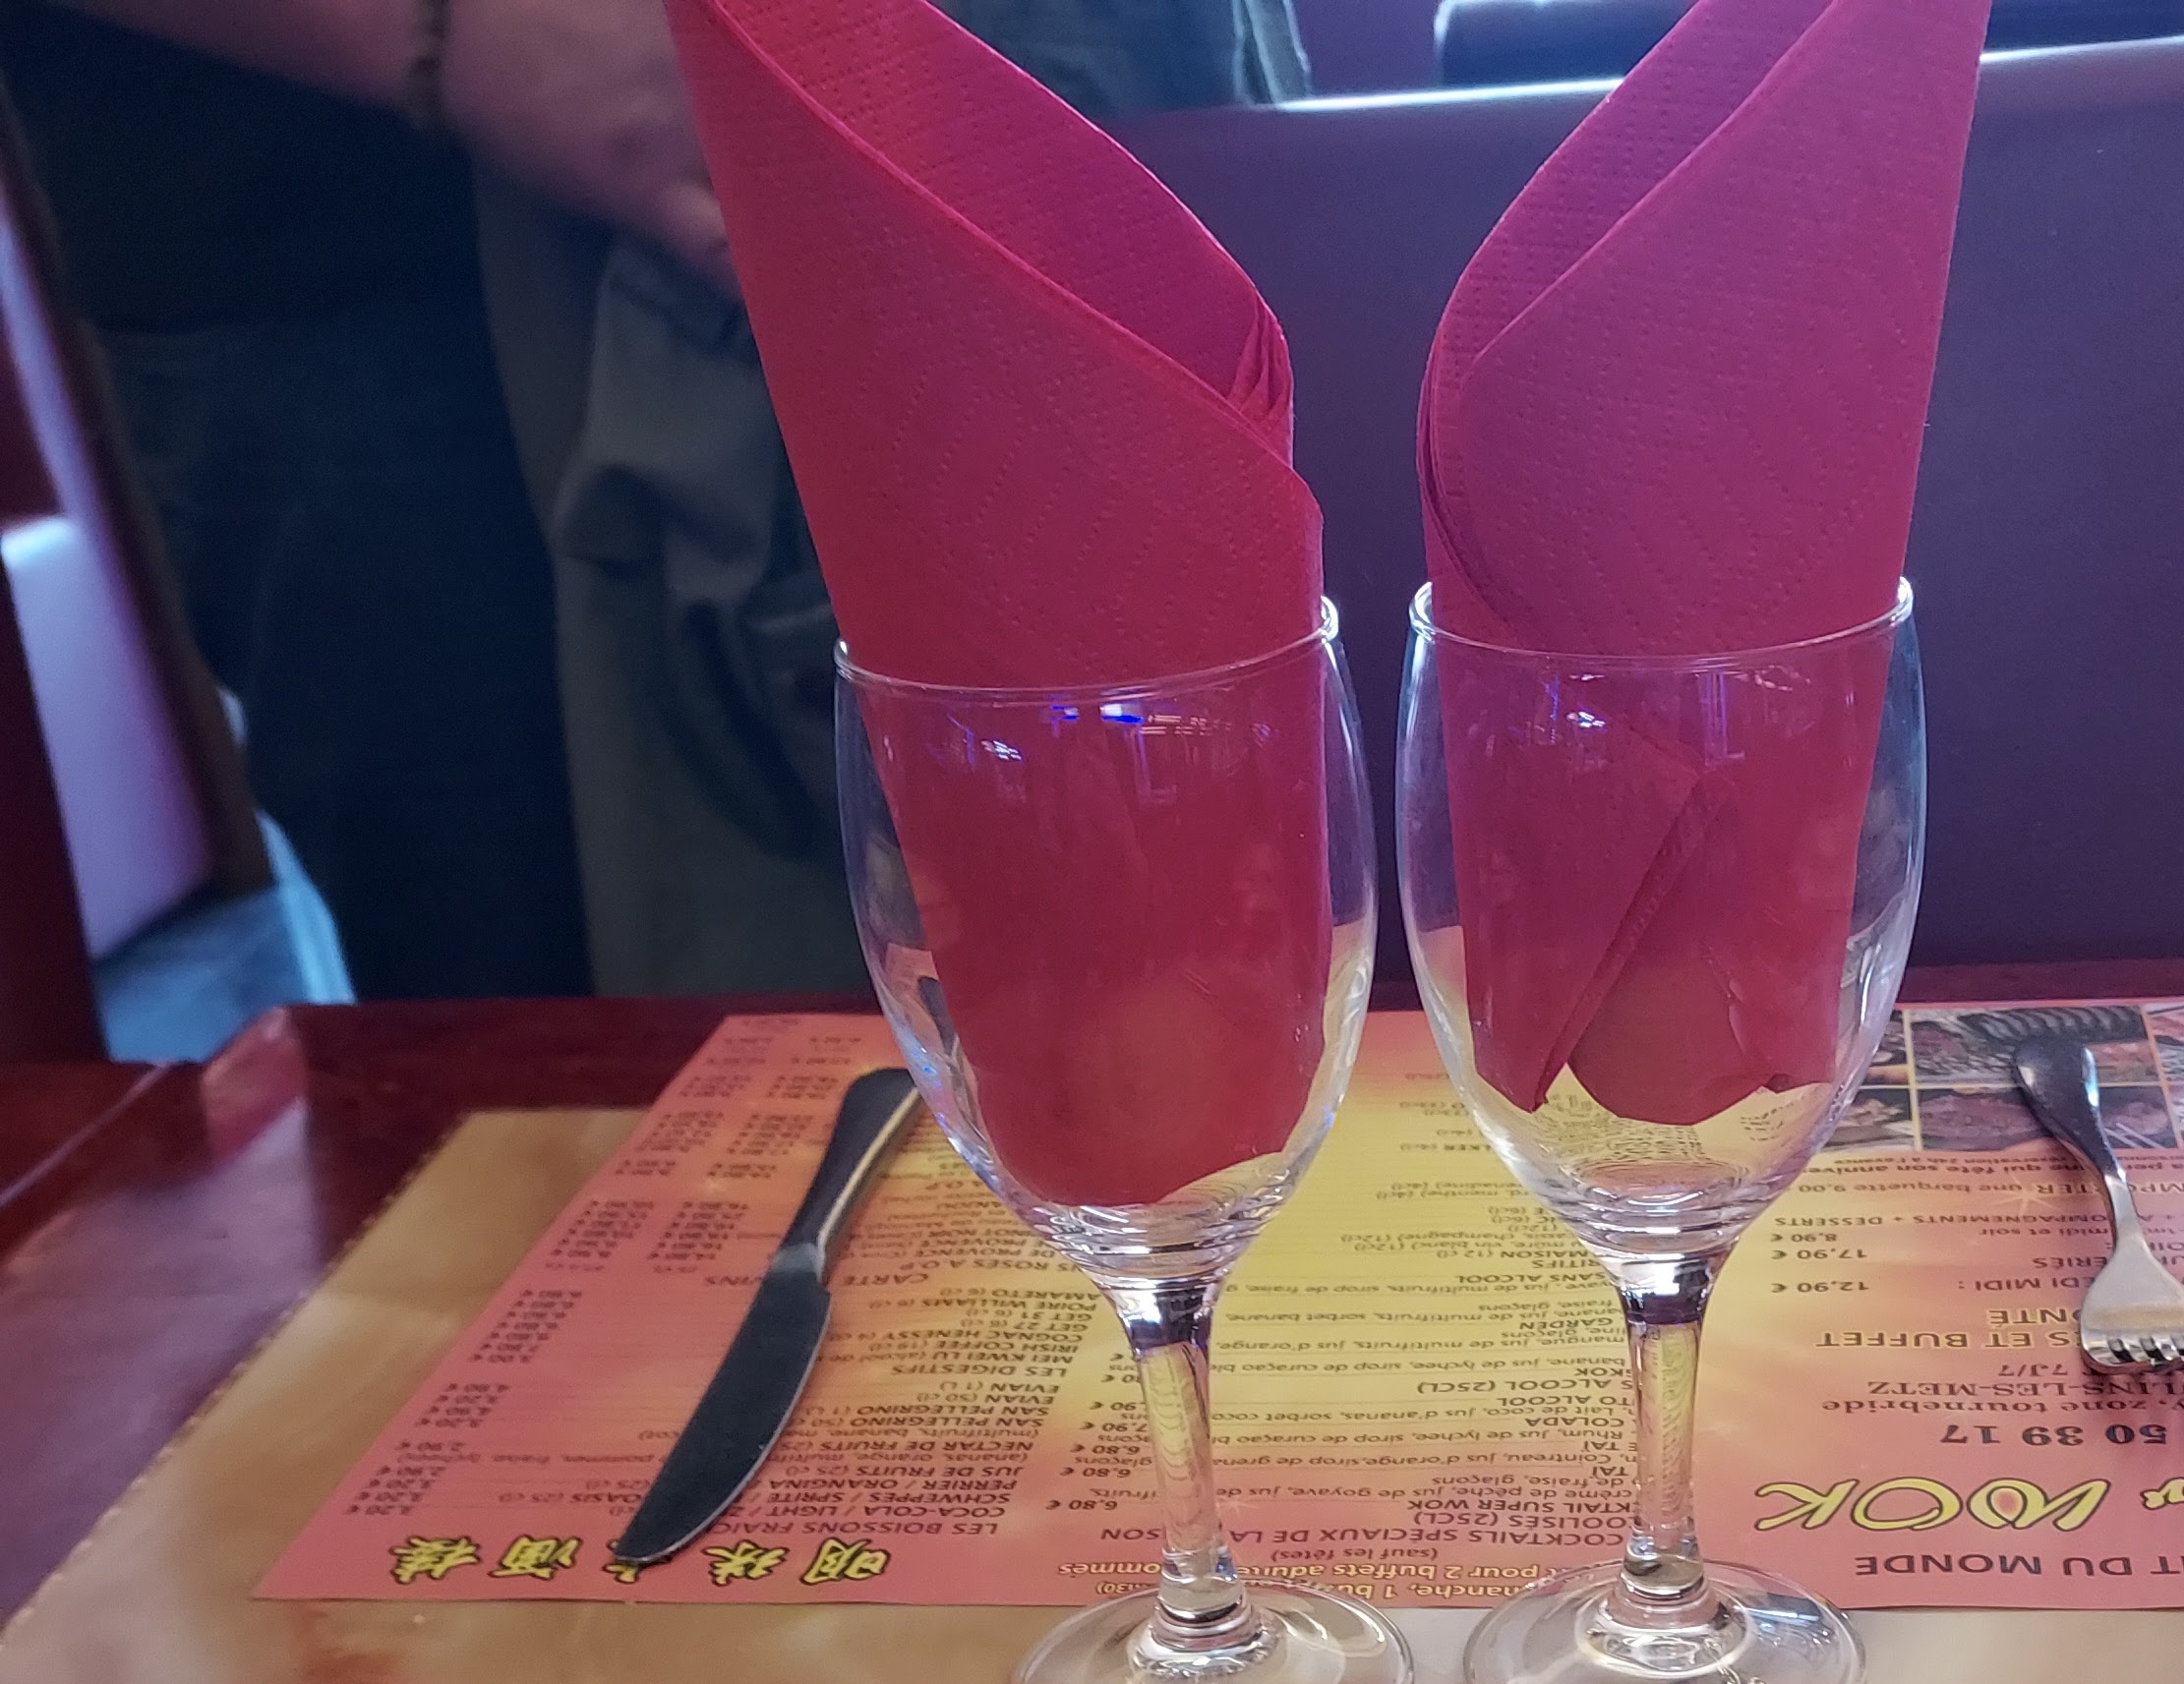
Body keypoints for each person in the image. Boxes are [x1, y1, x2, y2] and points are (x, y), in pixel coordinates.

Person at [3, 0, 1306, 999]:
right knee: (571, 1105)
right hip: (370, 230)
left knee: (1193, 965)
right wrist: (442, 26)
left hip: (1052, 112)